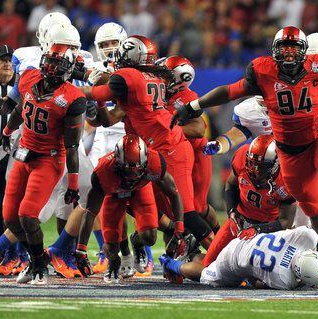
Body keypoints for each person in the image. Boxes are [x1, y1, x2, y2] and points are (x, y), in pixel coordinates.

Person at [171, 26, 318, 290]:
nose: (288, 55)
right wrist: (193, 106)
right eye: (283, 49)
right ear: (275, 52)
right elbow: (228, 91)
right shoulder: (262, 71)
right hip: (289, 152)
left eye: (293, 49)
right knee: (313, 207)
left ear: (303, 52)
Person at [202, 32, 318, 239]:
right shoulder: (254, 103)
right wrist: (219, 145)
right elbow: (238, 130)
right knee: (294, 218)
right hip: (278, 167)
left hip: (315, 148)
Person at [80, 35, 215, 267]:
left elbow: (98, 93)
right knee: (131, 197)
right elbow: (107, 117)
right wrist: (99, 102)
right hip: (151, 149)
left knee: (189, 211)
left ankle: (220, 253)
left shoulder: (130, 77)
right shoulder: (149, 78)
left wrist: (72, 90)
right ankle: (178, 236)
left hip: (169, 147)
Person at [1, 43, 86, 285]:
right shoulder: (29, 77)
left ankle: (38, 267)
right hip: (24, 153)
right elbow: (20, 108)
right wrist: (8, 130)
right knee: (10, 218)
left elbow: (71, 147)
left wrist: (73, 185)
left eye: (57, 63)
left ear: (68, 68)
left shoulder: (72, 98)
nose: (50, 67)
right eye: (48, 60)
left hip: (49, 158)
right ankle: (38, 260)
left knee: (28, 215)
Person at [74, 134, 184, 283]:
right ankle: (116, 261)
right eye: (128, 170)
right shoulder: (103, 172)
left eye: (137, 170)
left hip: (140, 190)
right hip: (114, 195)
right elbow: (90, 212)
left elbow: (174, 193)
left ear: (145, 162)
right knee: (111, 247)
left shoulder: (155, 161)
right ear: (117, 163)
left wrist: (179, 225)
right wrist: (81, 249)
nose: (133, 176)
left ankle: (137, 242)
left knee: (150, 237)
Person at [201, 135, 297, 273]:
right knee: (207, 268)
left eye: (261, 166)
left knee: (258, 279)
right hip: (239, 220)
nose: (255, 170)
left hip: (267, 231)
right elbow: (230, 183)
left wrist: (258, 229)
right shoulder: (242, 155)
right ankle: (180, 262)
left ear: (275, 163)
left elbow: (286, 222)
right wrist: (232, 212)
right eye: (252, 163)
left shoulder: (286, 179)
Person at [160, 226, 318, 290]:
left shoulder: (306, 237)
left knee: (214, 265)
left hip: (246, 239)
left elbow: (287, 226)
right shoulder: (284, 279)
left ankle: (192, 254)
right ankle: (170, 264)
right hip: (234, 259)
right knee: (206, 275)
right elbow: (256, 283)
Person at [86, 22, 128, 275]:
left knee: (131, 199)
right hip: (103, 133)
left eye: (114, 43)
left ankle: (137, 252)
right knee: (96, 193)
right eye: (104, 45)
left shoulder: (133, 68)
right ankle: (105, 249)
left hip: (128, 132)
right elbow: (93, 118)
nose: (110, 49)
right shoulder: (94, 71)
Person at [161, 55, 220, 235]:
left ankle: (221, 239)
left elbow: (198, 129)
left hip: (195, 154)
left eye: (167, 75)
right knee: (170, 205)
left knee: (197, 207)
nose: (161, 77)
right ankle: (177, 248)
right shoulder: (158, 92)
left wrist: (166, 128)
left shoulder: (187, 97)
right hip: (171, 153)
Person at [0, 45, 17, 277]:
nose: (7, 64)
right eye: (2, 60)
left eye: (10, 61)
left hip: (10, 155)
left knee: (6, 208)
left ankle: (3, 254)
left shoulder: (20, 88)